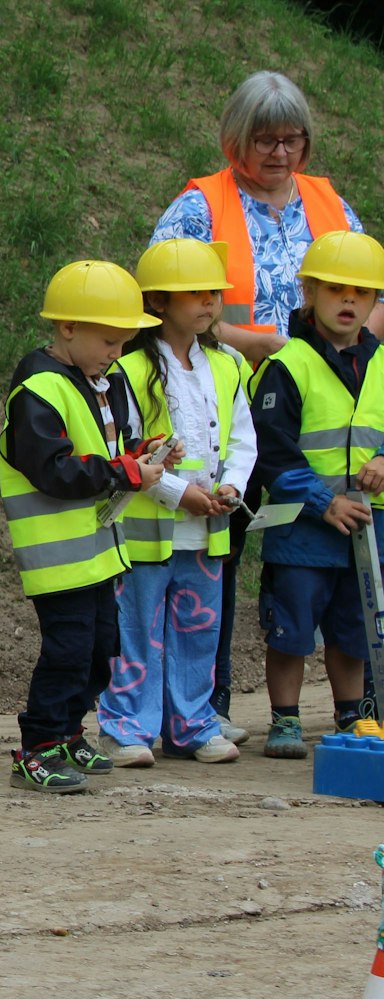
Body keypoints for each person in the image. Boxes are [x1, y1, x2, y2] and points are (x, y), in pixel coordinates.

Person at [149, 71, 383, 743]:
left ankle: (350, 705)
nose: (280, 153)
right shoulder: (201, 205)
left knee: (320, 563)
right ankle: (207, 702)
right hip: (227, 396)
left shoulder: (329, 203)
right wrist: (259, 343)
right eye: (265, 139)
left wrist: (354, 349)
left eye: (293, 139)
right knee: (215, 556)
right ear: (233, 140)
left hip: (325, 401)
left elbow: (371, 288)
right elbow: (163, 298)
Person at [0, 261, 176, 793]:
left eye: (123, 342)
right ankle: (36, 747)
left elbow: (103, 453)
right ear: (67, 328)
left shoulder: (104, 381)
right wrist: (125, 471)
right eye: (108, 340)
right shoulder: (38, 390)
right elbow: (54, 471)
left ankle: (68, 733)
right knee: (68, 650)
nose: (116, 352)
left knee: (101, 648)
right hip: (58, 559)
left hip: (99, 552)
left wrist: (142, 455)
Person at [97, 240, 257, 767]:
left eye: (213, 291)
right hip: (147, 531)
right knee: (136, 629)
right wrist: (177, 493)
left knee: (198, 632)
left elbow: (242, 439)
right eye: (194, 293)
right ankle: (125, 729)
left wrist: (231, 486)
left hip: (207, 529)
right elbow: (124, 447)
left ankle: (192, 725)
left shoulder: (228, 365)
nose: (208, 302)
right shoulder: (132, 369)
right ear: (159, 302)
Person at [247, 230, 384, 758]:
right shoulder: (289, 365)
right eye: (334, 289)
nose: (348, 300)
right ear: (308, 292)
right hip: (302, 527)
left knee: (354, 629)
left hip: (365, 529)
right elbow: (272, 453)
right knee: (291, 628)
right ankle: (285, 719)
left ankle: (350, 718)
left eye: (361, 292)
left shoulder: (381, 364)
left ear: (374, 302)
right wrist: (324, 502)